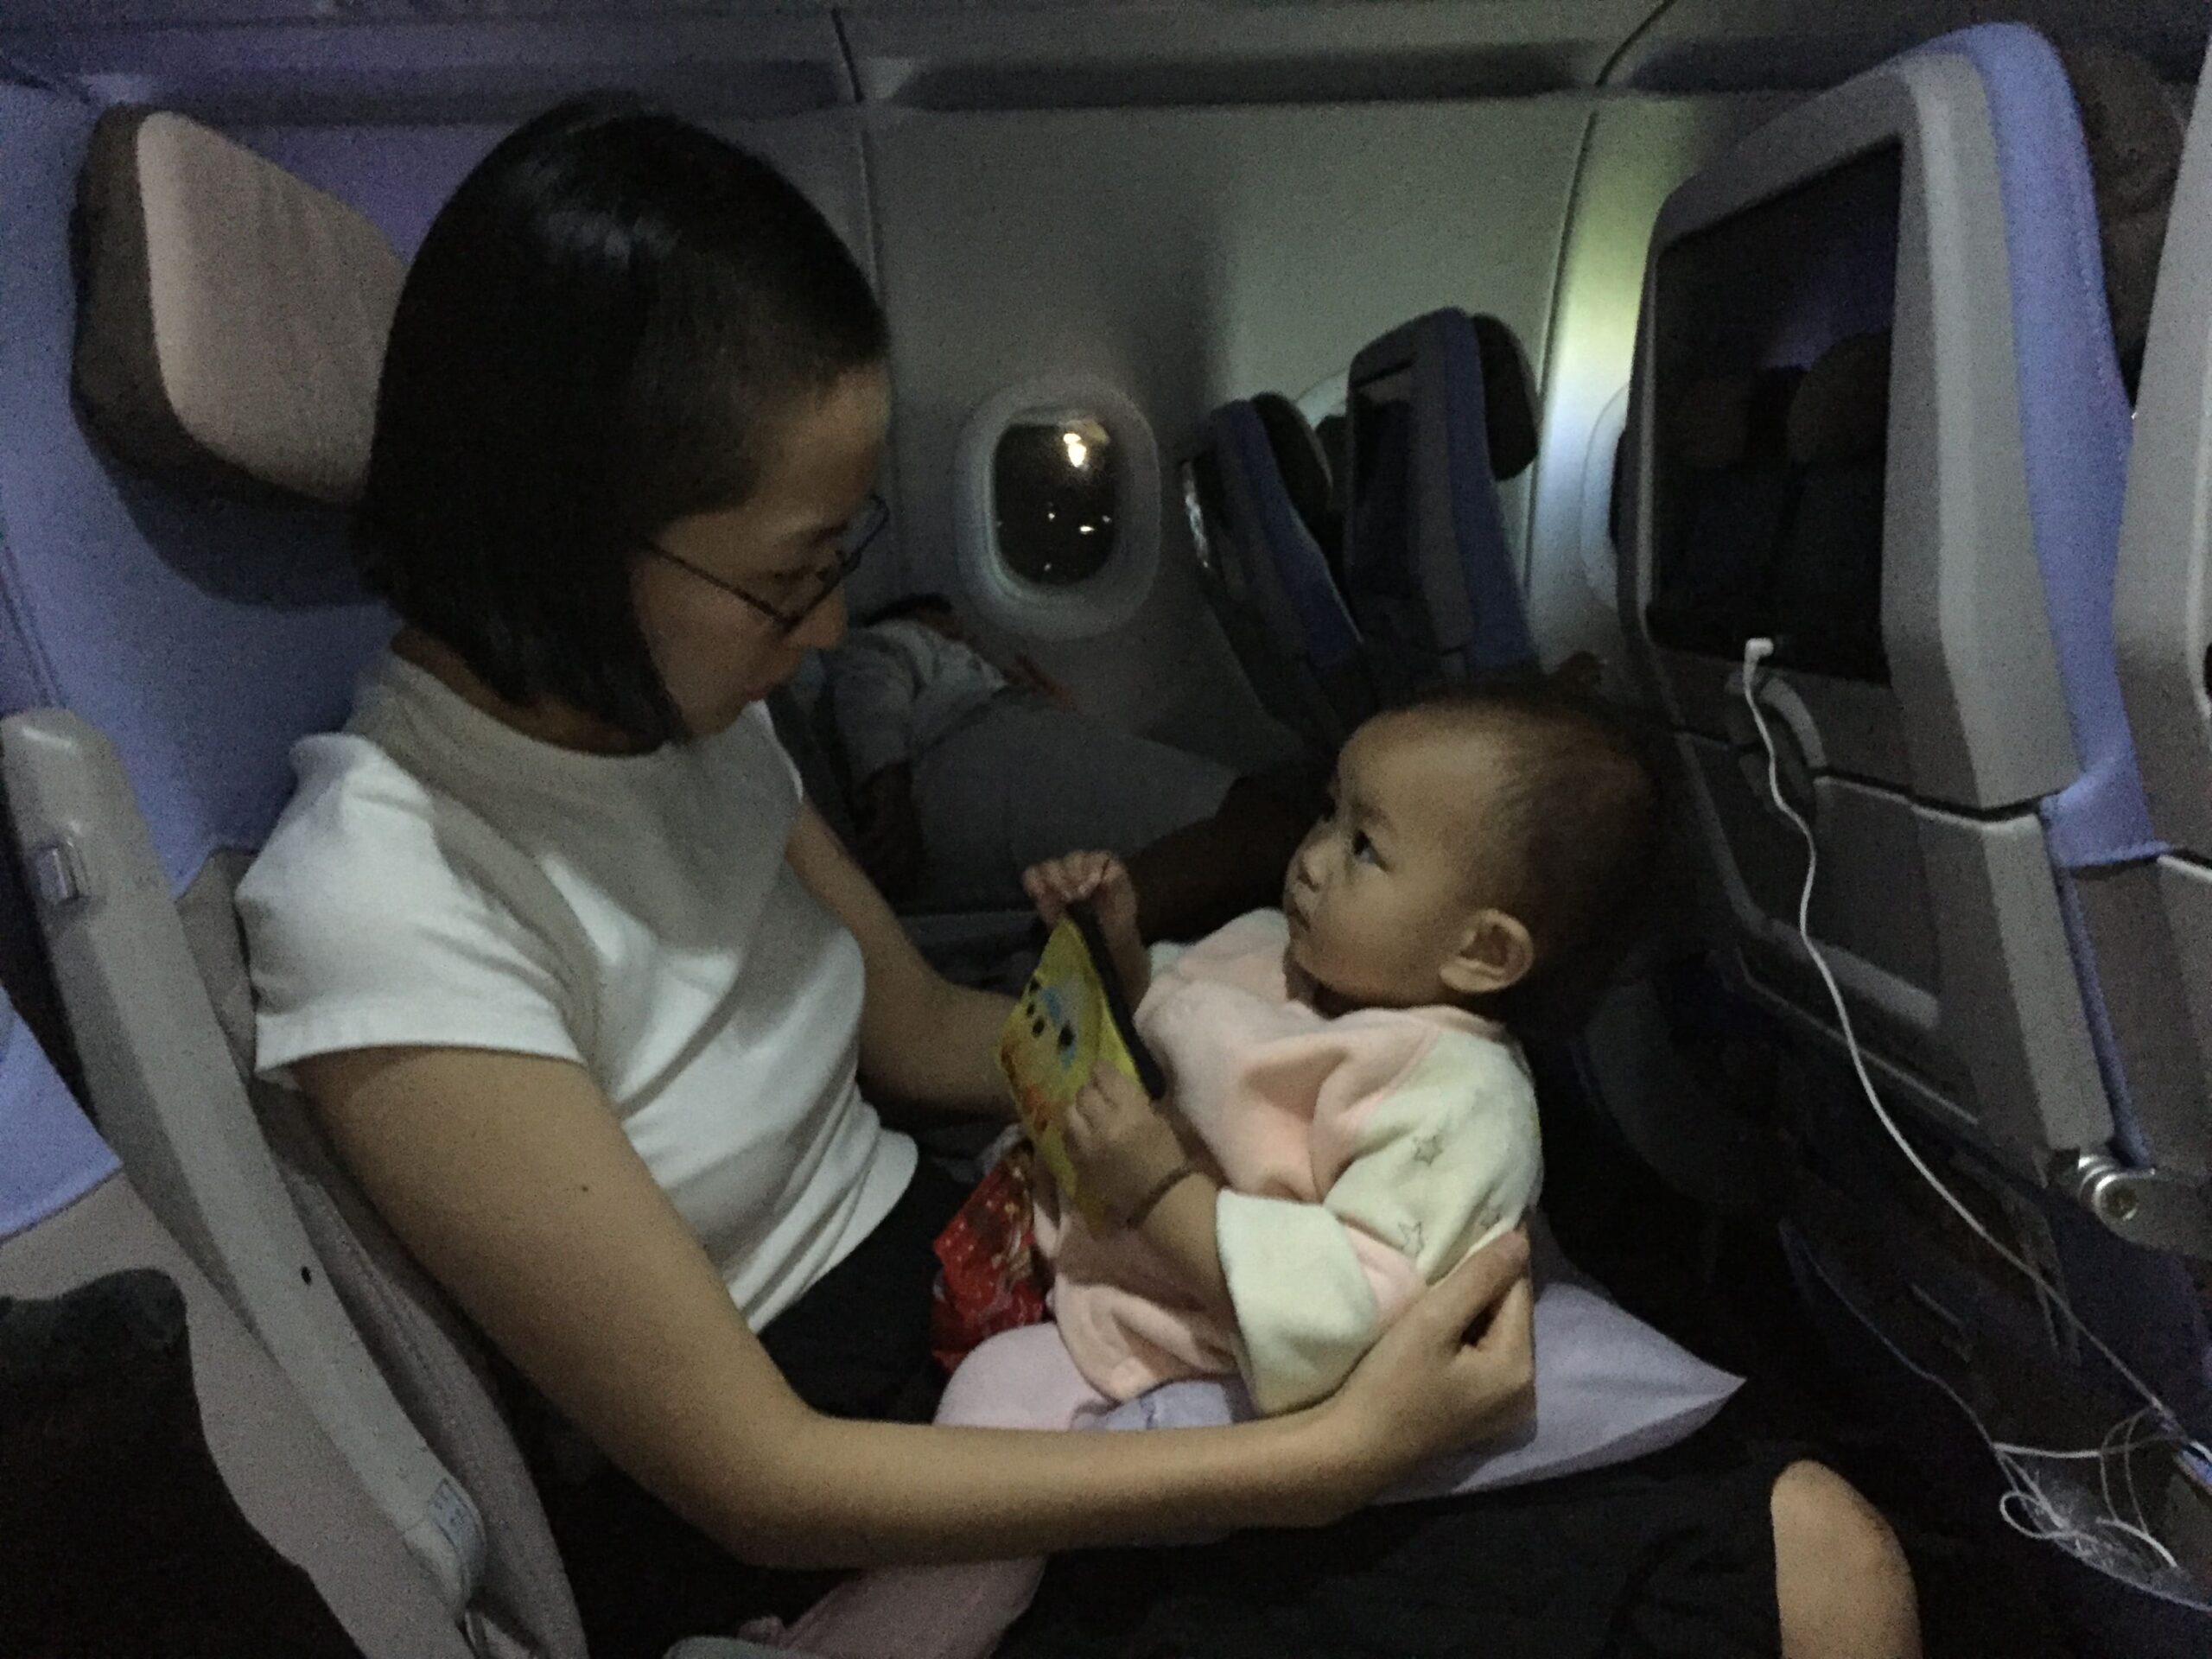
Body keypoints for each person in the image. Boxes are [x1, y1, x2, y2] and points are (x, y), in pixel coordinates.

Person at [232, 102, 1917, 1659]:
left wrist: (1180, 1031)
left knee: (1784, 1512)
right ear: (561, 534)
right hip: (876, 1506)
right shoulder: (387, 897)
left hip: (992, 1271)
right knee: (1803, 1572)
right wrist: (1320, 1461)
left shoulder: (680, 720)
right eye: (788, 580)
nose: (829, 633)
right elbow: (754, 1478)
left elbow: (920, 1032)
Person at [772, 686, 1696, 1659]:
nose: (1312, 856)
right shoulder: (1283, 953)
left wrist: (1160, 1192)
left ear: (1483, 951)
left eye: (1365, 847)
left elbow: (1349, 1305)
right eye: (1329, 811)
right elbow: (1180, 1029)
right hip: (1102, 1256)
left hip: (1208, 1357)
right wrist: (1117, 952)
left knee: (989, 1457)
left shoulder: (1454, 1097)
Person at [825, 591, 1307, 941]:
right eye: (949, 627)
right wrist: (888, 791)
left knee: (1260, 823)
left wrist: (1061, 716)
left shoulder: (967, 673)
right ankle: (1070, 962)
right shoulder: (899, 639)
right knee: (1261, 828)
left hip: (1005, 754)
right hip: (987, 755)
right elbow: (870, 676)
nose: (965, 636)